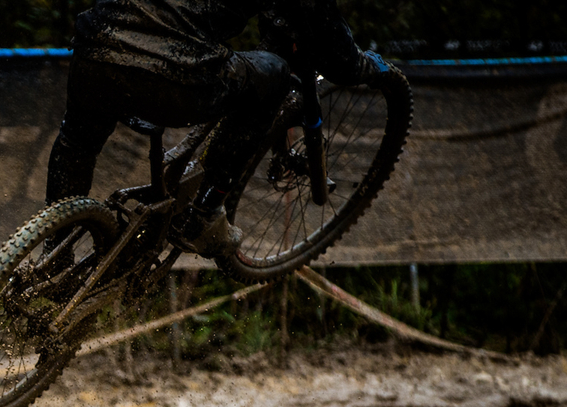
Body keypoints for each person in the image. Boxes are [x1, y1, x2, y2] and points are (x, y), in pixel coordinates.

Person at [46, 0, 390, 256]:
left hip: (96, 46)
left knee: (78, 140)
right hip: (174, 69)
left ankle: (53, 254)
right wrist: (374, 68)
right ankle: (205, 213)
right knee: (275, 74)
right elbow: (342, 62)